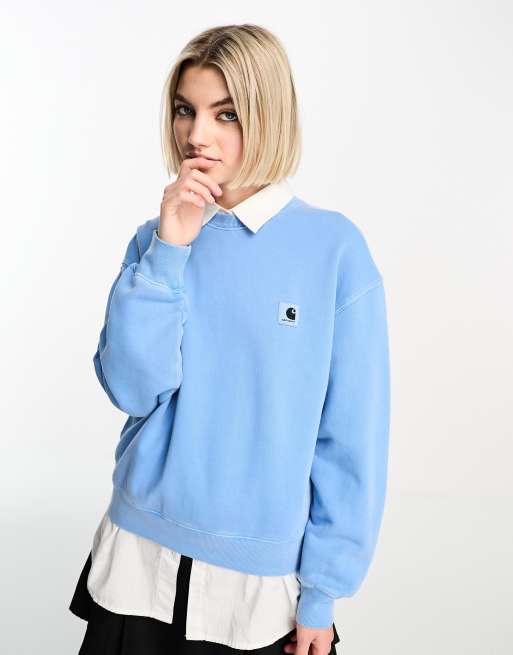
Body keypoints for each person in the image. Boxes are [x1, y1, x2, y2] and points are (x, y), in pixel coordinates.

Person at [69, 22, 390, 655]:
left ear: (268, 115)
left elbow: (352, 435)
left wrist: (322, 592)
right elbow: (131, 388)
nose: (197, 135)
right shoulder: (156, 239)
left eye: (226, 114)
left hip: (257, 590)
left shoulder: (333, 249)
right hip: (139, 563)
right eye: (185, 110)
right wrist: (170, 250)